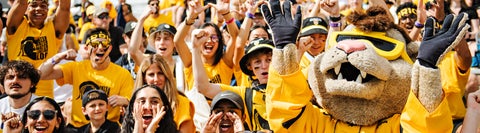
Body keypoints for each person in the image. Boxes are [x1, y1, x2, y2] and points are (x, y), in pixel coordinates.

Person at [38, 28, 134, 129]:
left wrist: (124, 101)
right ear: (87, 48)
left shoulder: (122, 74)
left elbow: (132, 103)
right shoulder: (77, 67)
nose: (100, 48)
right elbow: (41, 75)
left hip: (107, 128)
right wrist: (58, 57)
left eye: (104, 44)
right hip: (78, 127)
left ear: (110, 48)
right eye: (95, 44)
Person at [193, 34, 273, 131]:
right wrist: (195, 48)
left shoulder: (290, 85)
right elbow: (203, 87)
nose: (264, 66)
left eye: (269, 60)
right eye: (257, 62)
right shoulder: (245, 94)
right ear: (249, 66)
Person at [6, 0, 70, 97]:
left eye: (43, 6)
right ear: (27, 9)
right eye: (34, 5)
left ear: (48, 9)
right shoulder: (16, 26)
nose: (38, 9)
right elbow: (21, 2)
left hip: (44, 97)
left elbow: (65, 7)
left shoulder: (53, 28)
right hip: (17, 95)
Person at [175, 0, 238, 90]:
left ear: (220, 41)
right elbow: (178, 41)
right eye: (204, 36)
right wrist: (191, 18)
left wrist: (226, 14)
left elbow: (235, 37)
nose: (209, 41)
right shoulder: (191, 62)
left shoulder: (225, 63)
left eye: (214, 37)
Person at [134, 54, 195, 133]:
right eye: (151, 75)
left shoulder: (182, 103)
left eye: (160, 73)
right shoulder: (136, 104)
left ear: (166, 75)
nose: (156, 79)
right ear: (144, 78)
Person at [0, 60, 39, 131]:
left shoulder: (45, 107)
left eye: (22, 77)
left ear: (32, 84)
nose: (15, 81)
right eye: (10, 77)